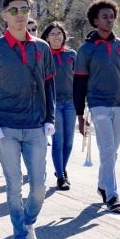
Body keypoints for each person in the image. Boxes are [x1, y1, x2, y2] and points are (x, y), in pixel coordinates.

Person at [0, 0, 56, 239]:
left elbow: (49, 85)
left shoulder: (41, 48)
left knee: (38, 188)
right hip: (6, 128)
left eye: (24, 9)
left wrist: (50, 119)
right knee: (13, 187)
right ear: (4, 16)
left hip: (35, 127)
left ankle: (28, 221)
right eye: (13, 11)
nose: (19, 15)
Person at [73, 0, 120, 212]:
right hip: (97, 104)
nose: (109, 20)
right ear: (95, 20)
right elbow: (80, 83)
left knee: (113, 151)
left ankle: (102, 185)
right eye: (104, 17)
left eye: (112, 16)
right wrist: (80, 115)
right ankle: (112, 195)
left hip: (118, 104)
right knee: (108, 149)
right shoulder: (85, 50)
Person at [42, 21, 77, 191]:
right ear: (47, 38)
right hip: (53, 103)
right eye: (53, 34)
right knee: (58, 140)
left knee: (69, 142)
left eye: (59, 33)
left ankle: (61, 169)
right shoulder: (43, 55)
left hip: (71, 103)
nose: (57, 37)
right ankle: (61, 176)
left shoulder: (71, 55)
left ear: (64, 36)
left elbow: (79, 80)